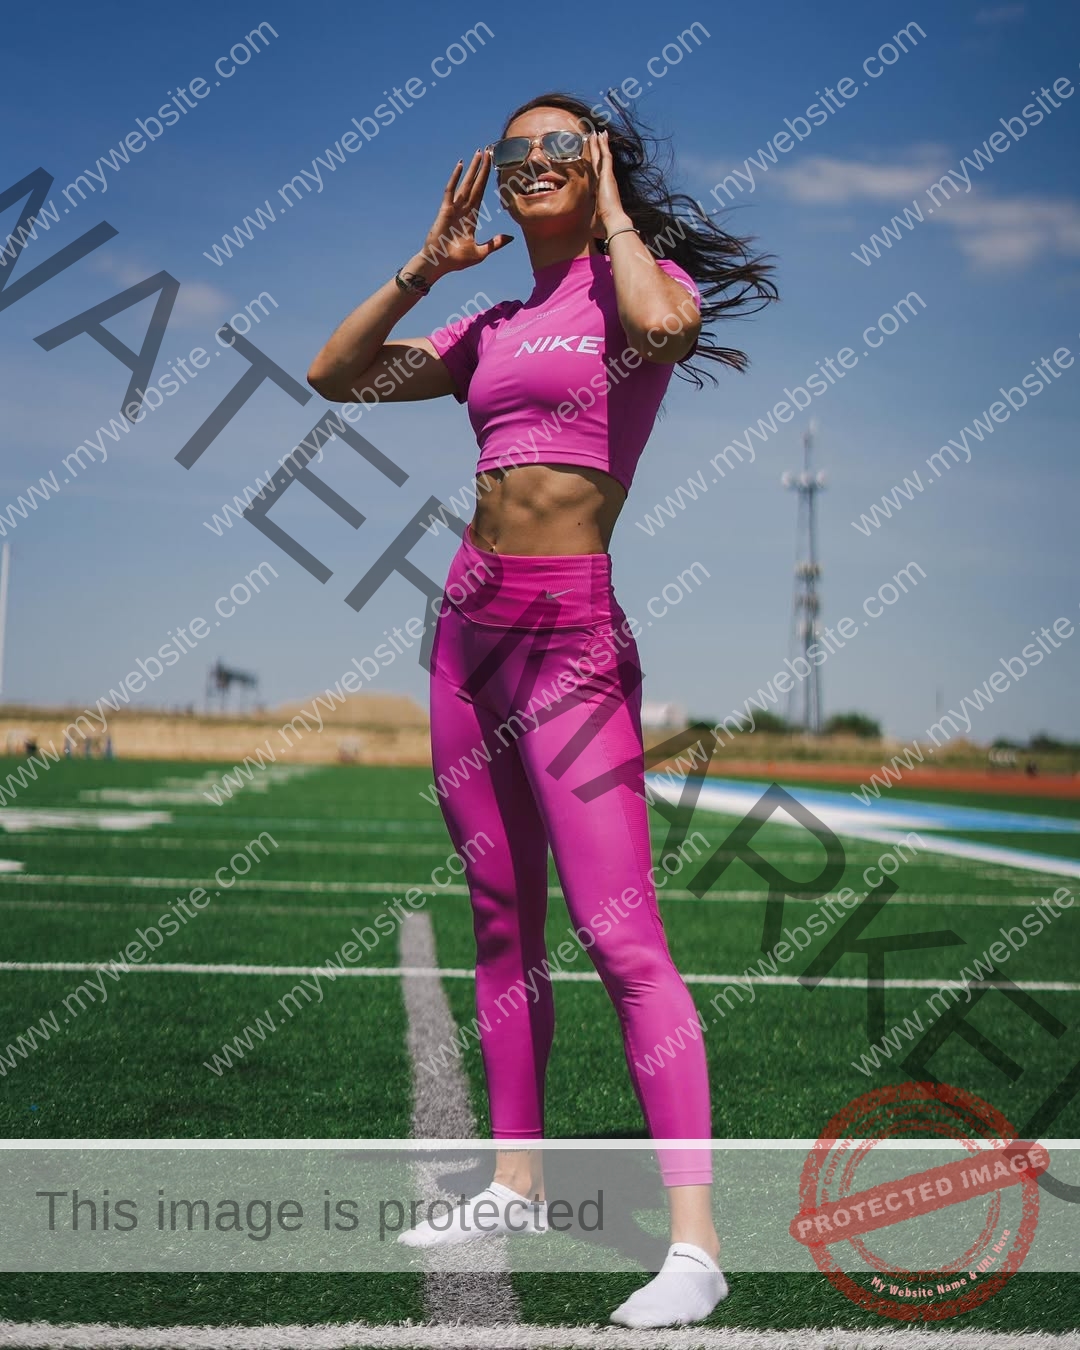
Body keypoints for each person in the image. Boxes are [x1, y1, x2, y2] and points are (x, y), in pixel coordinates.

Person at [308, 90, 776, 1329]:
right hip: (468, 632)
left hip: (571, 642)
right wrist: (424, 266)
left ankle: (696, 1248)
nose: (531, 165)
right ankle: (515, 1179)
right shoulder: (496, 318)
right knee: (503, 917)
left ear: (598, 163)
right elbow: (334, 376)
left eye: (558, 148)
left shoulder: (637, 287)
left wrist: (614, 213)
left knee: (623, 937)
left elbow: (670, 328)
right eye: (514, 151)